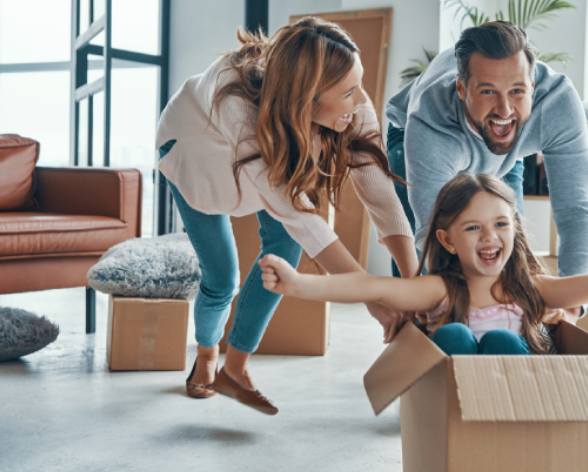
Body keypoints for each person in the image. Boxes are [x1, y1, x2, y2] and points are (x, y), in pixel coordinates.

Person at [155, 18, 419, 415]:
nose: (363, 101)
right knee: (221, 279)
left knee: (284, 254)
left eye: (359, 84)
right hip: (196, 162)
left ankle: (237, 369)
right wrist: (374, 298)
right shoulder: (237, 108)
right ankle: (207, 353)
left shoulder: (350, 108)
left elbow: (380, 192)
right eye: (349, 92)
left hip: (264, 164)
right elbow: (304, 218)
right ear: (308, 99)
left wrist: (412, 286)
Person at [258, 174, 588, 355]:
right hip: (451, 404)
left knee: (504, 337)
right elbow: (373, 288)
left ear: (515, 230)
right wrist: (300, 285)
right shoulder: (440, 288)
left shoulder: (532, 290)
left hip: (514, 403)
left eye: (501, 225)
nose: (490, 238)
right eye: (473, 228)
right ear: (446, 239)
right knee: (455, 334)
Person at [385, 21, 588, 324]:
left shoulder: (557, 104)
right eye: (488, 91)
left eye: (517, 91)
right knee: (421, 280)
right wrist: (453, 311)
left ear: (532, 86)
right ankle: (413, 339)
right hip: (414, 136)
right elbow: (434, 233)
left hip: (505, 147)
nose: (504, 108)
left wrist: (571, 305)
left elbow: (578, 209)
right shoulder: (430, 119)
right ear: (462, 88)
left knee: (510, 250)